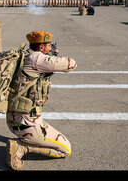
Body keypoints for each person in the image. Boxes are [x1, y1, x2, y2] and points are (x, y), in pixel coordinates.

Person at [5, 30, 77, 170]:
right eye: (48, 46)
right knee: (66, 149)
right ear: (41, 47)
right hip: (27, 125)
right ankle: (21, 147)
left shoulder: (24, 55)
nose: (50, 48)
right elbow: (71, 64)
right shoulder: (38, 59)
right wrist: (53, 57)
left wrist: (50, 55)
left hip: (13, 120)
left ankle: (25, 140)